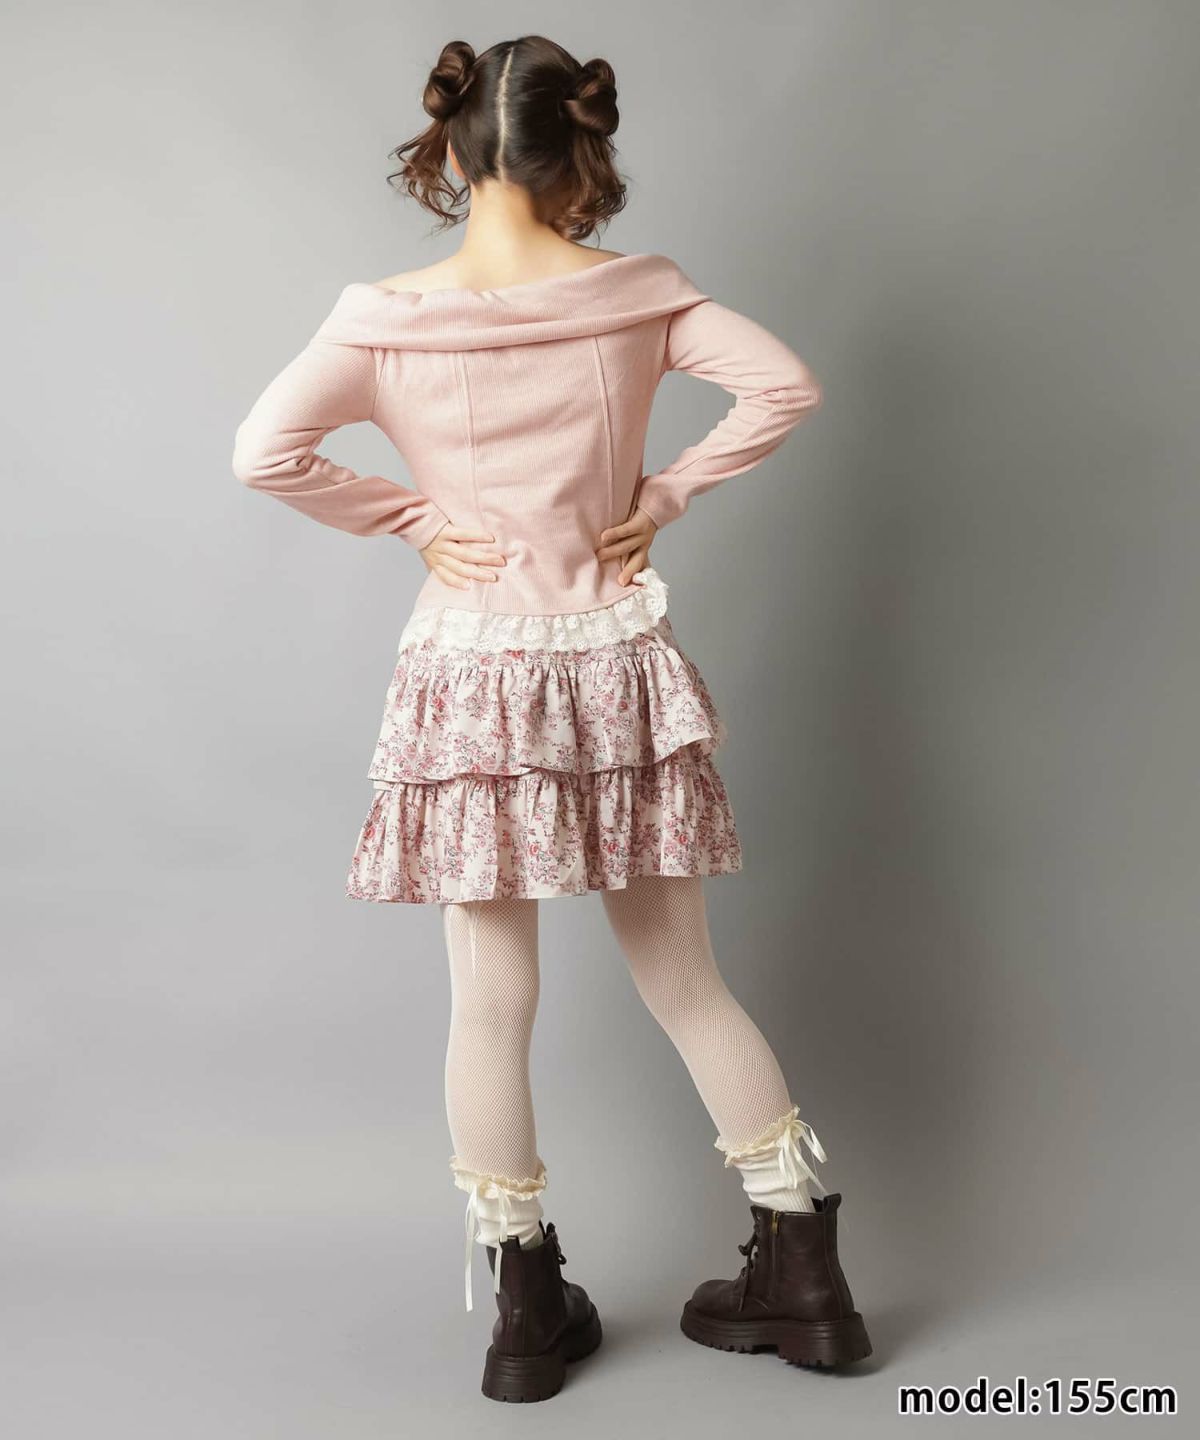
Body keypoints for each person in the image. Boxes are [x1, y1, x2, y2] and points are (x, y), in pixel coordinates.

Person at [232, 33, 870, 1404]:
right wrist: (669, 494)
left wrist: (410, 518)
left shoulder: (385, 320)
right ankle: (806, 1274)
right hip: (613, 661)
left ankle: (524, 1307)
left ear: (454, 146)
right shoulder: (638, 297)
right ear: (579, 149)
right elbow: (787, 384)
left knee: (489, 1003)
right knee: (686, 982)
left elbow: (264, 453)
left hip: (474, 673)